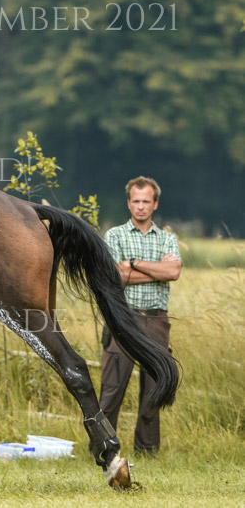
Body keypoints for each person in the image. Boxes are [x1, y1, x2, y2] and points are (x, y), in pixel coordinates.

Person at [100, 176, 181, 456]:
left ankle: (147, 452)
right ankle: (104, 449)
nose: (141, 206)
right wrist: (156, 270)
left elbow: (173, 272)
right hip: (123, 318)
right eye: (136, 201)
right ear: (128, 203)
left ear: (155, 204)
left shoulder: (168, 238)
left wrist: (133, 264)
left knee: (154, 388)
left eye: (146, 201)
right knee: (112, 388)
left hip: (156, 320)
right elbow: (115, 276)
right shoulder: (114, 235)